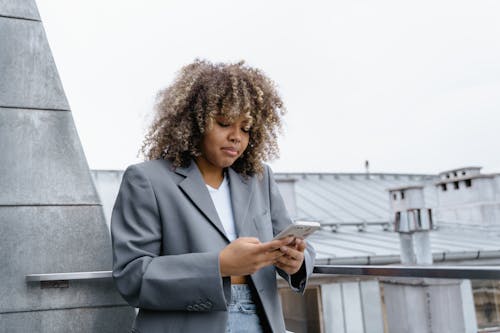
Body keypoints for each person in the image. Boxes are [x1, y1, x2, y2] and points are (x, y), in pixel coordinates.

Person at [111, 59, 316, 333]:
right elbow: (133, 277)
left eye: (245, 128)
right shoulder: (146, 180)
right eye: (224, 123)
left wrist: (297, 262)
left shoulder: (259, 178)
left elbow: (293, 241)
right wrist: (219, 265)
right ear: (193, 122)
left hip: (261, 320)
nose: (236, 137)